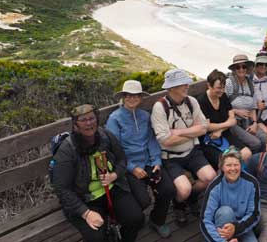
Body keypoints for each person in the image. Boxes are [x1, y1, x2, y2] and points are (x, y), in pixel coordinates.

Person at [52, 104, 144, 242]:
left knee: (136, 218)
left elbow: (121, 159)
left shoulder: (105, 136)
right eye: (83, 120)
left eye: (92, 118)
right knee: (96, 237)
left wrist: (114, 175)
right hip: (85, 199)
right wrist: (86, 213)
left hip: (112, 188)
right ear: (75, 124)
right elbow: (61, 188)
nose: (89, 123)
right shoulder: (67, 149)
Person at [105, 80, 176, 238]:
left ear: (140, 97)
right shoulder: (114, 119)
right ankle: (130, 221)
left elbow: (151, 140)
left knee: (168, 189)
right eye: (128, 95)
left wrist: (156, 161)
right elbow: (114, 151)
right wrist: (131, 168)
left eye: (136, 95)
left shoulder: (145, 115)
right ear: (123, 97)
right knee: (143, 201)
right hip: (127, 168)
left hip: (149, 163)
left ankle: (157, 220)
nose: (132, 98)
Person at [151, 68, 217, 225]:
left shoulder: (191, 102)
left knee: (210, 177)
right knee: (184, 189)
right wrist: (192, 132)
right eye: (182, 83)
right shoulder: (160, 107)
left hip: (192, 151)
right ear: (171, 87)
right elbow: (165, 141)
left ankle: (191, 198)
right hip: (171, 157)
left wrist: (178, 132)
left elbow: (203, 128)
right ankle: (179, 204)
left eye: (186, 82)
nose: (187, 86)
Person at [200, 146, 260, 242]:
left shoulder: (252, 183)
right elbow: (205, 220)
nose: (233, 169)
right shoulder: (215, 187)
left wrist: (235, 228)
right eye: (228, 165)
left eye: (236, 164)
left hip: (243, 228)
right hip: (221, 230)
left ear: (241, 165)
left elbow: (254, 214)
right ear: (222, 167)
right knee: (225, 211)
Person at [197, 69, 252, 170]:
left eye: (223, 88)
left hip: (224, 134)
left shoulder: (223, 97)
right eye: (218, 88)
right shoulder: (201, 101)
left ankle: (240, 178)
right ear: (209, 85)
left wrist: (220, 129)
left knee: (247, 153)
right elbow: (207, 126)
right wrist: (226, 124)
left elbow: (233, 120)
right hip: (209, 139)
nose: (221, 91)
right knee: (226, 162)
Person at [226, 54, 266, 153]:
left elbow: (252, 107)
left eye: (244, 66)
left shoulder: (250, 83)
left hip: (249, 122)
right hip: (234, 123)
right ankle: (251, 164)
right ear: (234, 69)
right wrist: (236, 111)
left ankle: (260, 163)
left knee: (266, 139)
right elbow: (222, 106)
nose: (241, 69)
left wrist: (255, 123)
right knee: (256, 143)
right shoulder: (229, 83)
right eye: (238, 67)